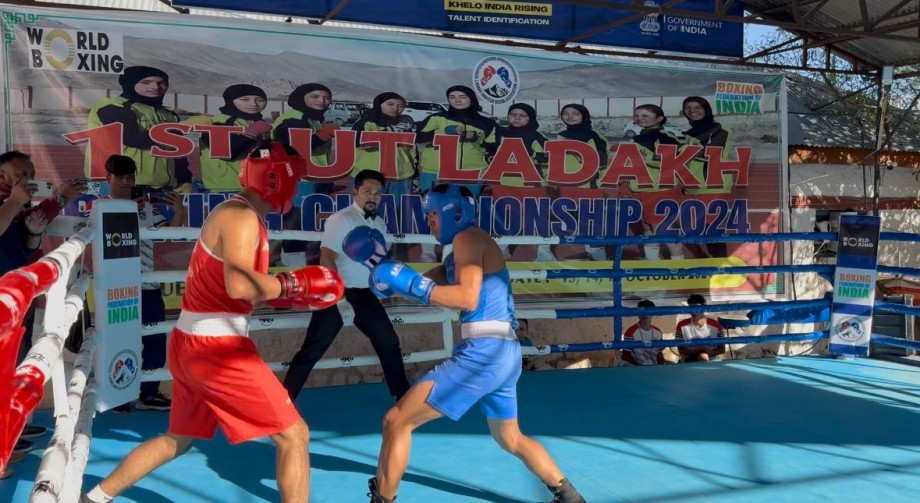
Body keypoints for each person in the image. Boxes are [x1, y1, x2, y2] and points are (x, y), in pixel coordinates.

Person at [80, 142, 345, 503]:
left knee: (178, 439)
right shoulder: (241, 216)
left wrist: (292, 287)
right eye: (294, 180)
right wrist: (296, 284)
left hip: (194, 342)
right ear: (274, 179)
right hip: (216, 350)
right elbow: (239, 285)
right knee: (294, 434)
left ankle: (93, 498)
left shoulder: (239, 212)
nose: (296, 189)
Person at [344, 184, 586, 503]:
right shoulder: (463, 249)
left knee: (396, 420)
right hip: (504, 353)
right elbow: (426, 284)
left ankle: (383, 500)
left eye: (432, 214)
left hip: (484, 353)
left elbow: (465, 297)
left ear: (454, 212)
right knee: (509, 437)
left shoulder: (467, 238)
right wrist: (386, 274)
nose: (428, 221)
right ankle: (569, 496)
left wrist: (410, 283)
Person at [282, 169, 410, 402]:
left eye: (377, 193)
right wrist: (338, 298)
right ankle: (283, 401)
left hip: (366, 296)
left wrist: (386, 284)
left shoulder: (380, 223)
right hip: (338, 294)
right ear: (356, 192)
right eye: (367, 191)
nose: (372, 197)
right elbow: (327, 257)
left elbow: (379, 261)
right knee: (313, 348)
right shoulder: (340, 219)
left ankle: (403, 398)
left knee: (389, 342)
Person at [1, 150, 84, 460]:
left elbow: (27, 241)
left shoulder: (16, 206)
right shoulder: (9, 203)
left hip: (15, 293)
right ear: (2, 174)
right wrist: (14, 203)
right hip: (4, 296)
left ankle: (12, 427)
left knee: (15, 361)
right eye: (19, 173)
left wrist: (39, 227)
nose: (26, 178)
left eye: (30, 172)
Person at [98, 154, 187, 411]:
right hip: (117, 288)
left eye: (130, 176)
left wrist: (179, 211)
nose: (126, 182)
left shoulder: (147, 208)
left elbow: (169, 236)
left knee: (156, 339)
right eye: (121, 177)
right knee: (120, 339)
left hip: (148, 285)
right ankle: (119, 394)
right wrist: (126, 215)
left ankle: (149, 392)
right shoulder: (101, 206)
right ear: (108, 178)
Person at [415, 85, 497, 263]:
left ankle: (459, 251)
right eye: (452, 97)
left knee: (465, 213)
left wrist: (475, 139)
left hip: (470, 173)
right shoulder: (437, 118)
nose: (457, 100)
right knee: (430, 211)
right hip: (435, 172)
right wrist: (445, 131)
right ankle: (427, 250)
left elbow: (495, 147)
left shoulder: (487, 123)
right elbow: (418, 136)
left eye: (462, 96)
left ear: (471, 99)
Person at [85, 66, 192, 190]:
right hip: (118, 184)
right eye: (146, 82)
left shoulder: (169, 115)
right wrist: (183, 127)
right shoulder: (112, 105)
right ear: (130, 83)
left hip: (164, 186)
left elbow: (178, 151)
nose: (156, 87)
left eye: (162, 83)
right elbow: (132, 138)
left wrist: (184, 179)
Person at [272, 83, 337, 265]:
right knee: (295, 220)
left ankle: (295, 259)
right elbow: (295, 146)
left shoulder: (312, 119)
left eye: (326, 97)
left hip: (309, 178)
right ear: (302, 98)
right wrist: (321, 136)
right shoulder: (293, 118)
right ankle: (292, 262)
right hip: (296, 180)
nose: (322, 101)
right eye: (315, 96)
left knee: (304, 218)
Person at [621, 104, 684, 261]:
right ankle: (652, 261)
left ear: (659, 118)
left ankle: (678, 266)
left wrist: (645, 159)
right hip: (640, 188)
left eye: (645, 116)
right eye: (637, 116)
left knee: (664, 229)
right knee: (647, 227)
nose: (639, 119)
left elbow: (674, 162)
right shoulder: (636, 138)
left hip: (660, 189)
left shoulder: (666, 138)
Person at [491, 103, 554, 262]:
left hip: (531, 185)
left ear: (530, 119)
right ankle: (502, 249)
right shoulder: (499, 133)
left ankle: (543, 251)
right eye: (513, 114)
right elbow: (488, 150)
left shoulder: (535, 137)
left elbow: (547, 158)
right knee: (504, 218)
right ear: (508, 116)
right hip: (503, 184)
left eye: (522, 115)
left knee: (538, 217)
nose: (517, 118)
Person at [681, 96, 733, 259]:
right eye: (688, 108)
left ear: (706, 109)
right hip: (693, 184)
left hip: (711, 183)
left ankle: (720, 266)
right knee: (692, 229)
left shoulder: (719, 127)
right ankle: (708, 263)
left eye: (697, 107)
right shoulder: (690, 133)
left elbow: (712, 151)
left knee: (711, 230)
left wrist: (679, 153)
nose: (692, 111)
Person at [196, 84, 272, 193]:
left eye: (260, 100)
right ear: (231, 100)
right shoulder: (218, 122)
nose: (253, 104)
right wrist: (252, 134)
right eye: (245, 99)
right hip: (226, 187)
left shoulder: (258, 122)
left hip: (255, 185)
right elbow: (227, 151)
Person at [350, 92, 417, 205]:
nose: (395, 108)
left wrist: (415, 176)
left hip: (401, 177)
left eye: (400, 106)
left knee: (397, 213)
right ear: (379, 104)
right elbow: (356, 141)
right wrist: (390, 131)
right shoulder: (365, 123)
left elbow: (412, 151)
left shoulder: (405, 126)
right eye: (390, 104)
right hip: (369, 178)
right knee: (365, 212)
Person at [675, 293, 726, 363]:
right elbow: (680, 349)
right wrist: (699, 351)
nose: (693, 310)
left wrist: (708, 353)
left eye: (696, 307)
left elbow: (722, 349)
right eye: (691, 307)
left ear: (703, 307)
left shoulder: (716, 325)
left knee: (703, 356)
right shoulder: (681, 325)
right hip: (689, 358)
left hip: (711, 359)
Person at [621, 299, 666, 366]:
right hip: (636, 370)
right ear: (638, 313)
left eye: (648, 311)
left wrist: (662, 366)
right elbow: (625, 355)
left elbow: (660, 353)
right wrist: (640, 368)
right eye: (642, 311)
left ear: (653, 313)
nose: (645, 314)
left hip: (653, 368)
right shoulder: (630, 332)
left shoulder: (658, 332)